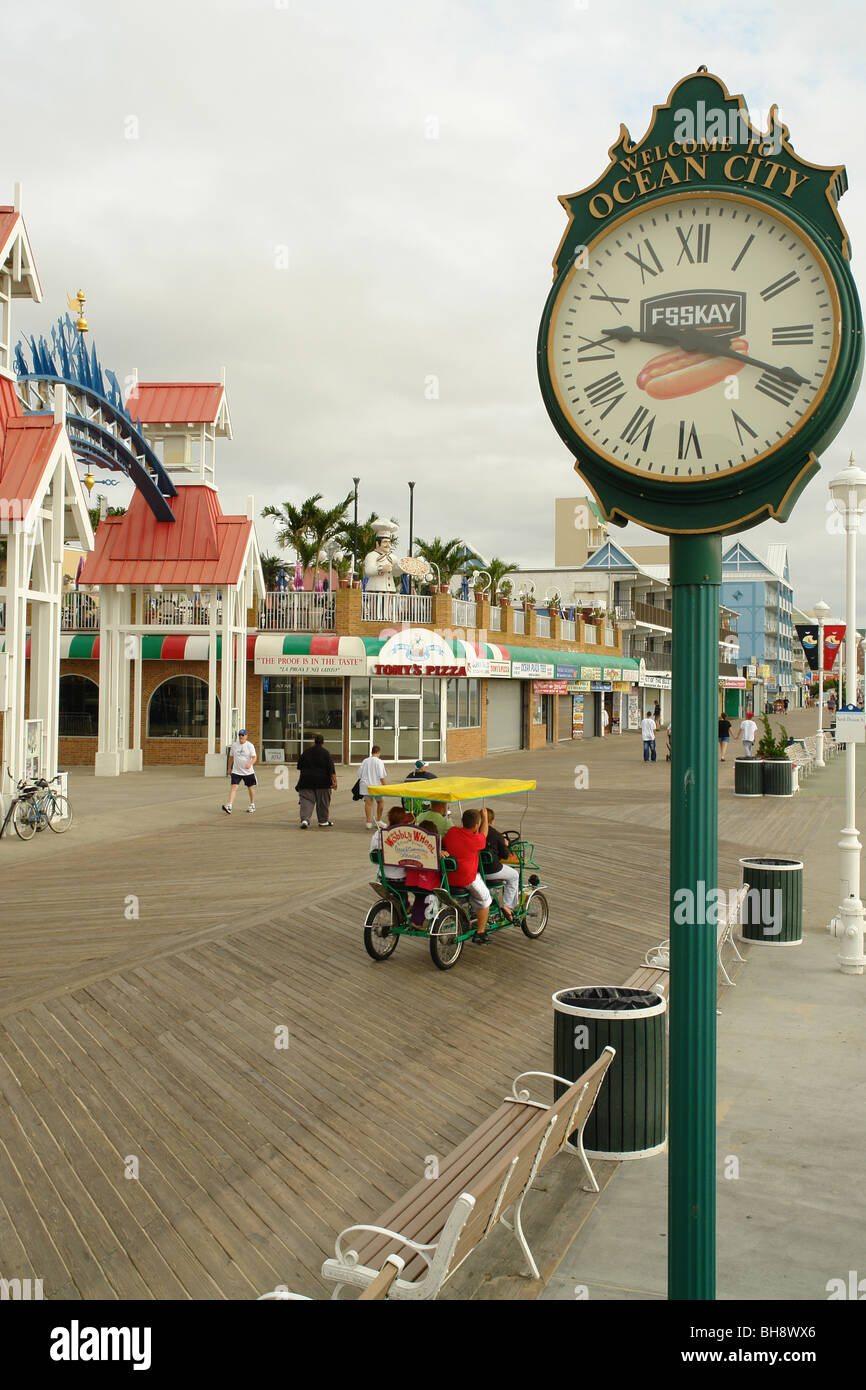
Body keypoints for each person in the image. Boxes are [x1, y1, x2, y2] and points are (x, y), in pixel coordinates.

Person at [443, 808, 494, 944]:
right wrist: (484, 817)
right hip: (466, 878)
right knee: (485, 899)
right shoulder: (475, 839)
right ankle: (481, 932)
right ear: (476, 825)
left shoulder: (452, 832)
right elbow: (484, 834)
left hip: (447, 877)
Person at [405, 818, 442, 925]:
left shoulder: (412, 845)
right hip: (427, 883)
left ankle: (416, 919)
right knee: (425, 896)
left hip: (411, 881)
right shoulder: (434, 848)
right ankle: (418, 921)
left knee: (420, 898)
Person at [483, 808, 519, 915]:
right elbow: (505, 855)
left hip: (478, 870)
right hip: (492, 870)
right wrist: (506, 845)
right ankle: (507, 905)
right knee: (514, 875)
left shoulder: (476, 833)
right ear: (492, 821)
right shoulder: (497, 835)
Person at [296, 733, 337, 828]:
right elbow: (331, 770)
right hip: (323, 782)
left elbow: (299, 767)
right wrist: (335, 782)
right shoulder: (326, 753)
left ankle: (305, 820)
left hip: (305, 781)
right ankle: (323, 821)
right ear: (323, 742)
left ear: (314, 741)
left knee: (306, 801)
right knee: (323, 802)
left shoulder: (306, 752)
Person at [370, 806, 411, 884]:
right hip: (400, 876)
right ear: (403, 820)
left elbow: (373, 854)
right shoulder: (406, 836)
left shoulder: (378, 834)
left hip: (383, 875)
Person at [222, 729, 257, 814]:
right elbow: (231, 757)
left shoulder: (250, 746)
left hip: (248, 772)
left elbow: (254, 757)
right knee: (234, 787)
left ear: (246, 736)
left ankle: (252, 804)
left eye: (243, 735)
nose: (241, 737)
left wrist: (250, 764)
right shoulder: (234, 745)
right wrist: (229, 768)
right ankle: (229, 805)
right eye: (240, 735)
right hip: (236, 771)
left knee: (250, 788)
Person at [358, 745, 387, 829]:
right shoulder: (379, 762)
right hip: (376, 786)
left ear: (372, 752)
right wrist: (385, 786)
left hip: (366, 785)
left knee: (368, 803)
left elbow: (359, 774)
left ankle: (368, 822)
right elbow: (381, 776)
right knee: (380, 802)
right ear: (378, 752)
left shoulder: (365, 761)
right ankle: (378, 820)